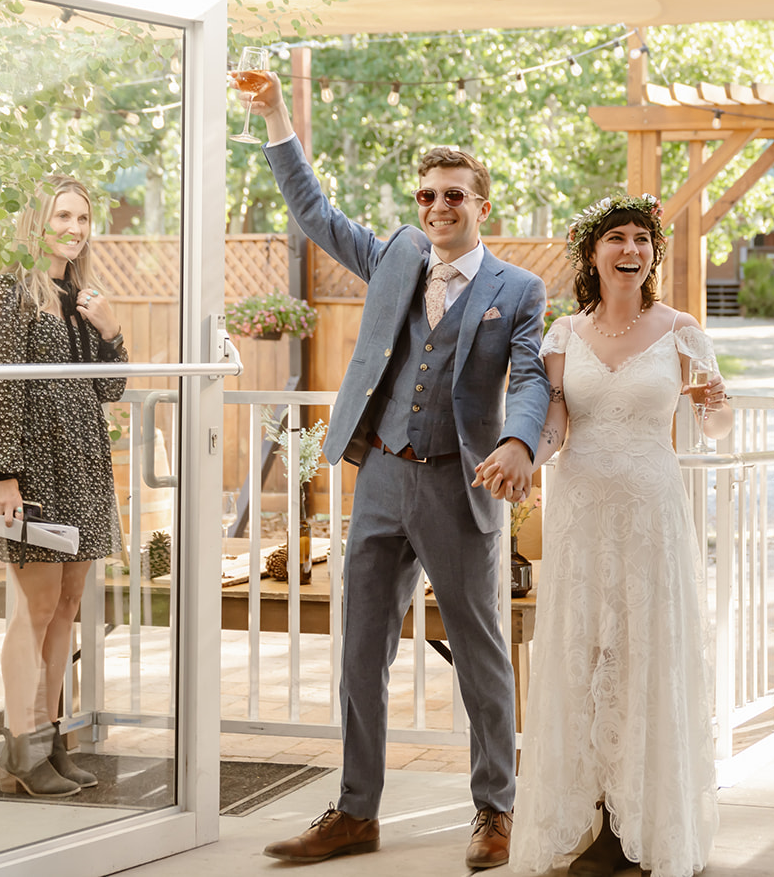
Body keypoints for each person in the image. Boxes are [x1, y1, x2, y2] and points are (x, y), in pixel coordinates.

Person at [241, 71, 551, 869]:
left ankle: (495, 808)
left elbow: (534, 378)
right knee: (361, 650)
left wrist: (519, 444)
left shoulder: (517, 289)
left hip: (461, 483)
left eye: (454, 195)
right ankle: (354, 811)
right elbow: (313, 212)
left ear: (483, 205)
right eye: (426, 197)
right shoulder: (392, 257)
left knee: (480, 652)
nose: (438, 208)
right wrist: (277, 114)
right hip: (379, 473)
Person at [495, 193, 731, 877]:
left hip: (650, 513)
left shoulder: (682, 329)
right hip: (581, 510)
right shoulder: (565, 334)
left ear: (653, 254)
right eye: (616, 238)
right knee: (585, 650)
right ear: (592, 253)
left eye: (641, 239)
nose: (631, 249)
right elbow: (554, 425)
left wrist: (717, 407)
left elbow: (711, 428)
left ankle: (643, 823)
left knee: (643, 650)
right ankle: (590, 812)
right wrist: (521, 462)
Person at [0, 174, 128, 798]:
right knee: (34, 609)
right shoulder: (8, 293)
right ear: (37, 221)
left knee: (66, 607)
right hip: (33, 468)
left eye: (83, 218)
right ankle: (20, 750)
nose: (75, 227)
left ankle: (50, 737)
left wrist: (110, 330)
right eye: (63, 215)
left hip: (83, 466)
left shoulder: (80, 297)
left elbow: (109, 391)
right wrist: (2, 476)